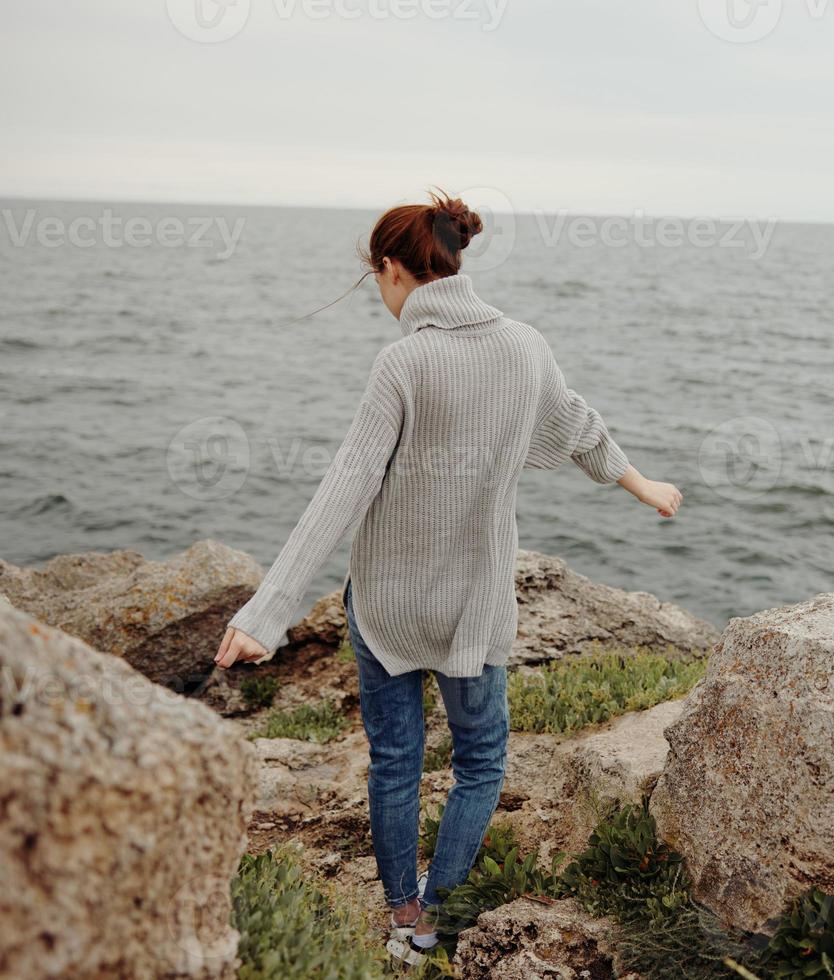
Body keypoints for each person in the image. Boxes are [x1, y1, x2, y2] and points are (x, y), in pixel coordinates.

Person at [213, 191, 682, 965]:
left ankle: (400, 916)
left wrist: (267, 614)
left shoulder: (404, 361)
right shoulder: (525, 347)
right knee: (481, 762)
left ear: (397, 270)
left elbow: (344, 489)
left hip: (388, 606)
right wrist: (641, 484)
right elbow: (577, 425)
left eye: (379, 281)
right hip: (475, 605)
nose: (382, 297)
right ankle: (434, 918)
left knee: (397, 760)